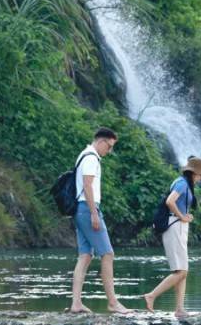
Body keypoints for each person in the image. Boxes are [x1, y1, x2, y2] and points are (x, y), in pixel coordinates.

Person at [68, 127, 130, 314]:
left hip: (81, 209)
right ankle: (112, 302)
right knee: (108, 254)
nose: (109, 151)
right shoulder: (90, 157)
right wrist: (94, 214)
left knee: (85, 256)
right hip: (88, 209)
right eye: (109, 146)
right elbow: (87, 185)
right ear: (102, 141)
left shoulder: (84, 155)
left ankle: (76, 304)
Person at [143, 156, 201, 318]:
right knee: (181, 271)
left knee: (182, 270)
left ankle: (179, 309)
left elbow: (175, 203)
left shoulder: (185, 184)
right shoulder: (181, 183)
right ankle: (151, 295)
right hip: (175, 227)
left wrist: (185, 216)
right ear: (193, 173)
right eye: (200, 175)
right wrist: (181, 216)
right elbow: (170, 201)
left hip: (178, 227)